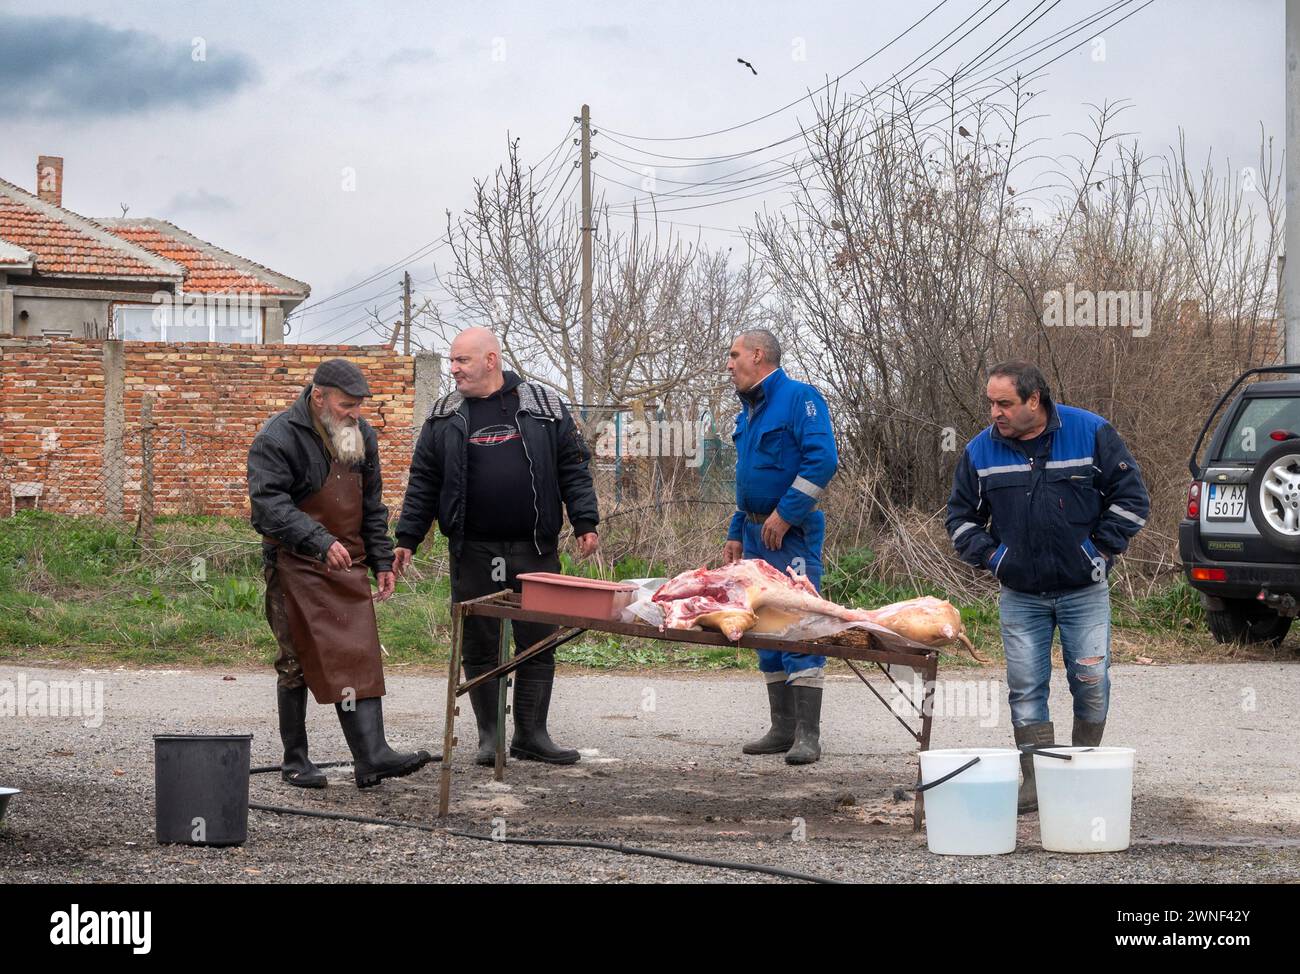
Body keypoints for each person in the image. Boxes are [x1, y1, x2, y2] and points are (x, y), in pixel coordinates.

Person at [946, 361, 1149, 812]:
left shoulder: (1090, 432)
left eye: (1004, 403)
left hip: (1084, 590)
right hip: (1021, 596)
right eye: (990, 403)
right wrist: (997, 558)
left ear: (1033, 400)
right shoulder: (981, 451)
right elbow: (960, 519)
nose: (994, 412)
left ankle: (1083, 769)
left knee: (1091, 679)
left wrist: (1096, 552)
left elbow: (1133, 500)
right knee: (1025, 687)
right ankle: (1036, 783)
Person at [393, 327, 599, 766]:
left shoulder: (544, 407)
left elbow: (574, 468)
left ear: (490, 361)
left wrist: (585, 521)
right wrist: (407, 538)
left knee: (538, 640)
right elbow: (423, 481)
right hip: (473, 550)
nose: (453, 370)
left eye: (461, 361)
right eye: (451, 361)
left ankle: (531, 735)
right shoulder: (444, 415)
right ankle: (491, 737)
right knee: (480, 643)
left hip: (534, 546)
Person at [249, 358, 433, 789]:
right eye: (347, 404)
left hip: (346, 564)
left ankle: (372, 758)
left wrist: (382, 560)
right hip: (294, 564)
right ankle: (295, 761)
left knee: (357, 654)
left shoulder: (356, 433)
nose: (355, 413)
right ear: (319, 396)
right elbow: (268, 507)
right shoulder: (278, 438)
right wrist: (318, 540)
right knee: (295, 662)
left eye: (359, 406)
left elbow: (370, 505)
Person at [724, 329, 839, 765]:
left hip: (790, 534)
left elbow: (822, 460)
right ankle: (782, 729)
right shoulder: (748, 413)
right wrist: (737, 529)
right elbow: (746, 480)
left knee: (796, 625)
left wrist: (787, 512)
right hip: (755, 534)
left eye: (735, 355)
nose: (729, 364)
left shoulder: (800, 398)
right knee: (765, 629)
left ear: (758, 355)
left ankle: (809, 735)